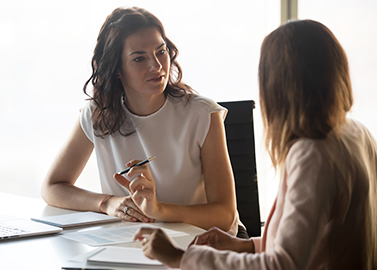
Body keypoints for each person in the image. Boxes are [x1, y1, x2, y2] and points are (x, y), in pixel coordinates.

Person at [133, 19, 377, 269]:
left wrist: (179, 257)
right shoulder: (358, 134)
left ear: (277, 86)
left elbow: (281, 265)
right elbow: (320, 244)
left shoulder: (312, 154)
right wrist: (247, 246)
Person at [41, 6, 245, 235]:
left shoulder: (202, 113)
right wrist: (108, 203)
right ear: (117, 69)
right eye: (139, 58)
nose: (157, 66)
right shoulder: (98, 113)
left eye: (161, 52)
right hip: (134, 245)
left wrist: (159, 210)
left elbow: (225, 216)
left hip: (201, 244)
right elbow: (52, 187)